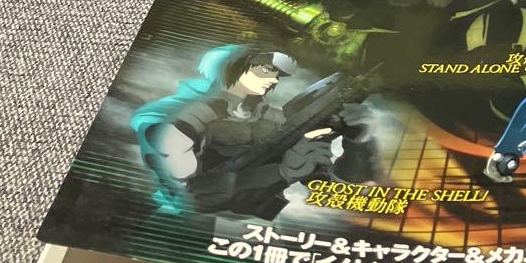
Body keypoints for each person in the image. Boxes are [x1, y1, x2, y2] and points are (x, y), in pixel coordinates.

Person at [131, 45, 375, 218]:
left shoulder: (276, 120)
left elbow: (334, 186)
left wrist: (357, 141)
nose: (274, 79)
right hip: (182, 222)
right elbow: (192, 192)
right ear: (232, 69)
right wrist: (279, 172)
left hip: (248, 227)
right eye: (264, 70)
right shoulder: (175, 117)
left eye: (276, 74)